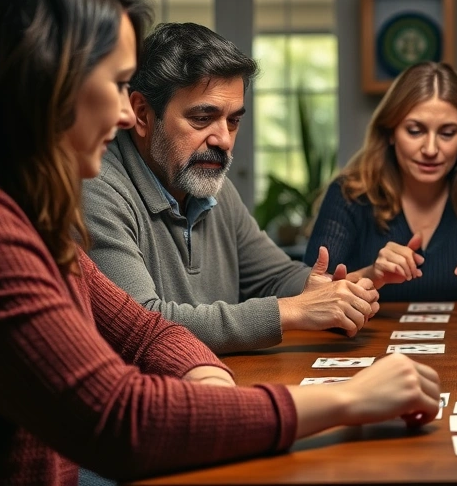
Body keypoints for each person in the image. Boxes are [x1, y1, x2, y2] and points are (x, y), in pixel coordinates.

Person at [0, 0, 442, 486]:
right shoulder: (1, 232)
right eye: (112, 82)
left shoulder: (34, 221)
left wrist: (207, 379)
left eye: (234, 120)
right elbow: (121, 421)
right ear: (39, 84)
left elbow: (146, 332)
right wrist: (348, 400)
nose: (120, 110)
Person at [81, 22, 379, 354]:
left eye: (233, 120)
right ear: (141, 114)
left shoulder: (211, 186)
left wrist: (333, 291)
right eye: (202, 118)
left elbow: (274, 277)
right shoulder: (96, 188)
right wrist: (294, 311)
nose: (223, 140)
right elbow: (141, 321)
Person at [304, 62, 457, 307]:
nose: (431, 149)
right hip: (372, 349)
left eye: (447, 133)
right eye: (415, 131)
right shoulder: (349, 195)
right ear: (390, 132)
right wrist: (372, 275)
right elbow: (311, 295)